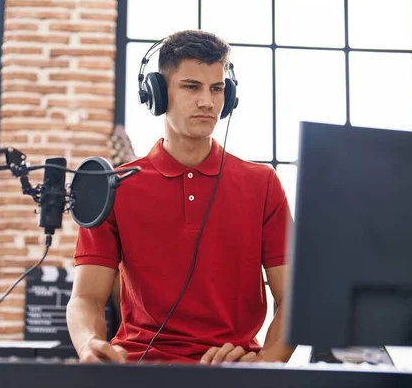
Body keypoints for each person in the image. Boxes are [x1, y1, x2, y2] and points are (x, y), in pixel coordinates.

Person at [66, 29, 294, 365]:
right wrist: (89, 344)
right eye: (191, 87)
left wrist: (266, 363)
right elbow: (86, 297)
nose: (207, 102)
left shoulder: (263, 184)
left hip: (233, 371)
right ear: (158, 93)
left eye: (217, 89)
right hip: (139, 371)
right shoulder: (114, 186)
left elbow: (293, 298)